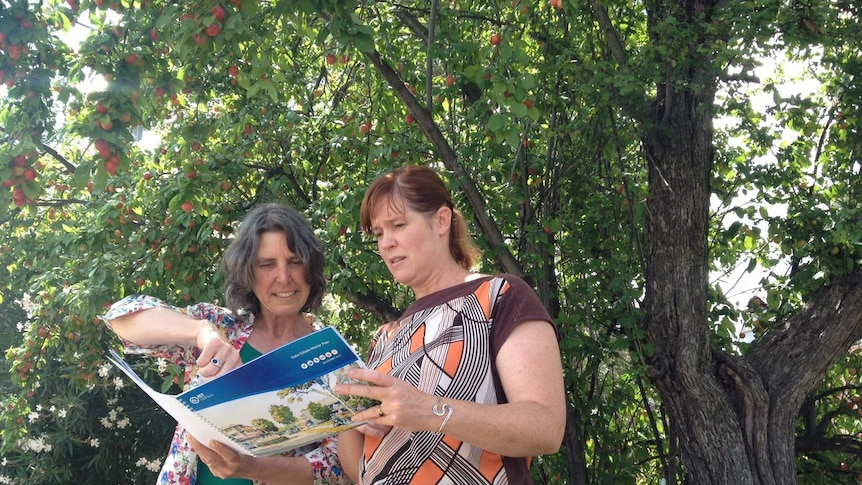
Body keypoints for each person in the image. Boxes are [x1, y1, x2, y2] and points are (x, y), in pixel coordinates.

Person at [334, 165, 566, 484]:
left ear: (441, 220)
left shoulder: (500, 296)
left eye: (398, 225)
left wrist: (430, 410)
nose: (386, 243)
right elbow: (358, 470)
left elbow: (546, 428)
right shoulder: (385, 338)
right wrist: (353, 423)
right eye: (378, 234)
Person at [102, 203, 350, 485]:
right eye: (267, 264)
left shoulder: (332, 355)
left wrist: (252, 468)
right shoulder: (225, 327)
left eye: (294, 261)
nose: (284, 277)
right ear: (248, 273)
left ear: (311, 266)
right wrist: (200, 331)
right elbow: (122, 318)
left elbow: (339, 467)